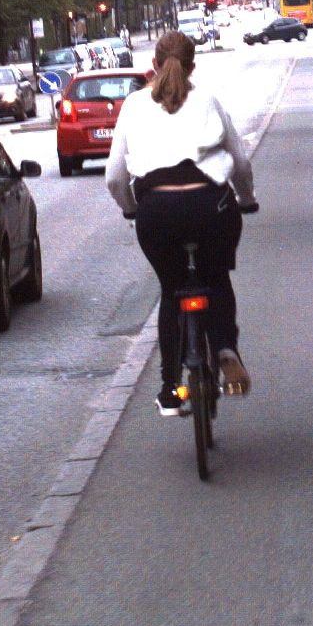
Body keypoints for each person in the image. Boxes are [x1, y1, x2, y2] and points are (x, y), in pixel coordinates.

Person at [107, 32, 258, 416]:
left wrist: (131, 208)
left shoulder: (134, 105)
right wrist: (246, 199)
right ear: (192, 66)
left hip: (158, 211)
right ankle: (226, 350)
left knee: (172, 289)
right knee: (216, 278)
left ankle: (170, 388)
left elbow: (115, 177)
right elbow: (240, 164)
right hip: (211, 207)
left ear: (154, 65)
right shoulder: (208, 100)